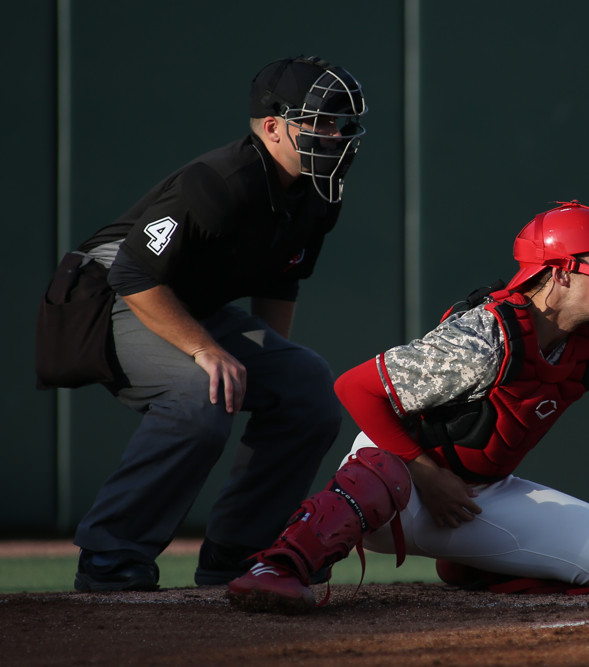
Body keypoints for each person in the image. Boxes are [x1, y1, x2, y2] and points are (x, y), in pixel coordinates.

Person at [224, 200, 589, 611]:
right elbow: (355, 388)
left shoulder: (588, 319)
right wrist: (427, 475)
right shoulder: (487, 335)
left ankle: (476, 563)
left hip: (477, 494)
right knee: (383, 469)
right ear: (557, 274)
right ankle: (278, 565)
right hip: (401, 480)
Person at [69, 55, 368, 592]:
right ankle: (111, 558)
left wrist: (274, 364)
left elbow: (280, 281)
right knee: (198, 392)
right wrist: (206, 350)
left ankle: (242, 550)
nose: (334, 135)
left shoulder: (319, 194)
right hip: (103, 297)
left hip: (187, 304)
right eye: (318, 121)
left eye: (338, 123)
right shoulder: (219, 181)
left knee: (306, 385)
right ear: (273, 126)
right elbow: (134, 272)